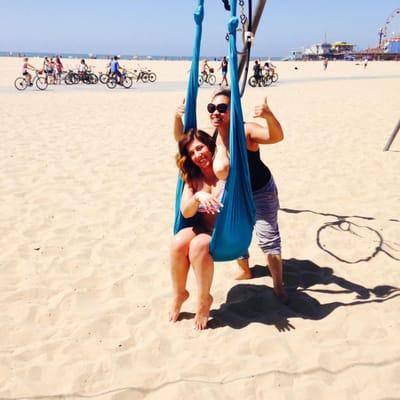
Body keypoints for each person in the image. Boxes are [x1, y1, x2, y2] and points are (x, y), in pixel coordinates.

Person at [173, 88, 288, 303]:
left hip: (259, 190)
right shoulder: (211, 134)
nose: (216, 112)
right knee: (236, 229)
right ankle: (246, 271)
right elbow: (182, 139)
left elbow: (276, 136)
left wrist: (268, 116)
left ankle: (279, 286)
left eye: (222, 108)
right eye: (212, 108)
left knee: (268, 236)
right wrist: (178, 116)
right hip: (233, 193)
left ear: (232, 110)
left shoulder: (245, 131)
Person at [170, 129, 224, 330]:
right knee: (178, 243)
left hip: (227, 232)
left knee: (198, 246)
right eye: (192, 153)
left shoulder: (225, 172)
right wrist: (199, 196)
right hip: (203, 227)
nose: (198, 155)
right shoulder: (193, 179)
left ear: (210, 147)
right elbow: (185, 212)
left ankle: (204, 300)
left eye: (200, 148)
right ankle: (179, 293)